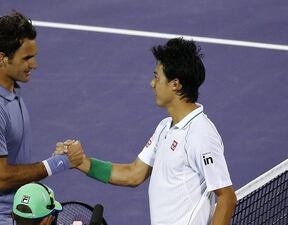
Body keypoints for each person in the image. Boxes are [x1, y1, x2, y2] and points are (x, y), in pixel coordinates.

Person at [58, 38, 237, 225]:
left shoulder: (200, 133)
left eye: (157, 77)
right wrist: (81, 162)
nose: (152, 83)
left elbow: (227, 198)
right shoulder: (165, 127)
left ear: (175, 84)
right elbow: (133, 173)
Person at [0, 11, 83, 225]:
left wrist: (53, 159)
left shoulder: (9, 92)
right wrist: (58, 163)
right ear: (2, 58)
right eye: (26, 58)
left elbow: (14, 165)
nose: (34, 64)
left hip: (15, 212)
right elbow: (1, 178)